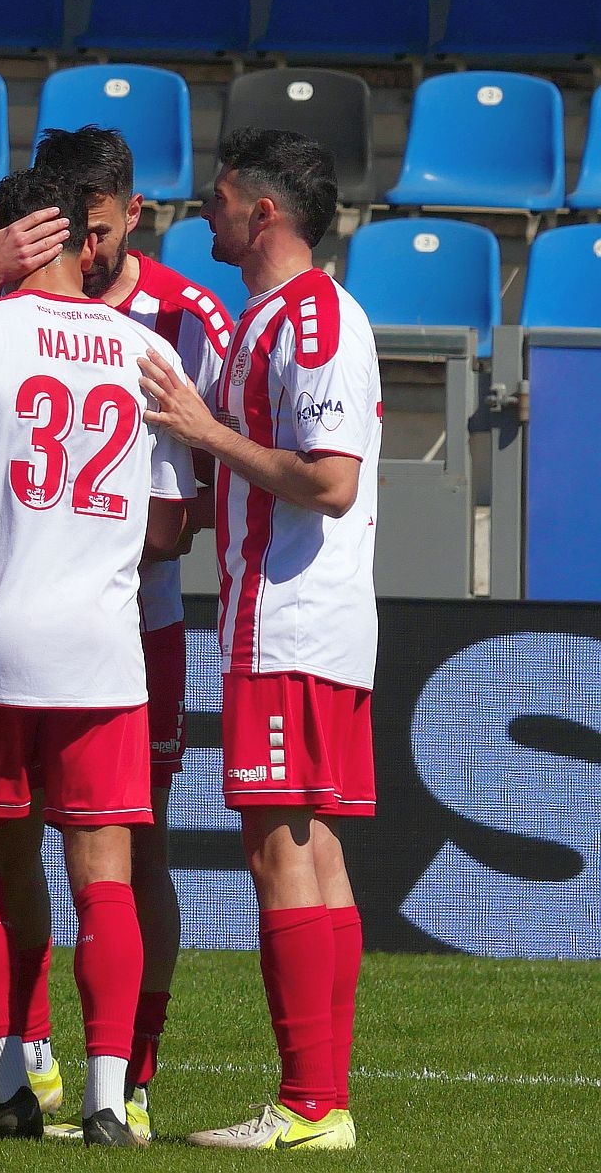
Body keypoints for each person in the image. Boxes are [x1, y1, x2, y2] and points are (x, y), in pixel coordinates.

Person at [0, 126, 231, 1143]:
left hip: (11, 638)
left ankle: (32, 1079)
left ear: (6, 228)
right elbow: (167, 523)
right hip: (107, 646)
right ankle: (97, 1092)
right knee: (100, 870)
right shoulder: (146, 347)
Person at [138, 129, 378, 1153]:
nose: (208, 212)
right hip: (302, 620)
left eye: (222, 197)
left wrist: (205, 433)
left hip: (289, 621)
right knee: (313, 849)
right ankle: (325, 1103)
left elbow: (330, 480)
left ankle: (309, 1102)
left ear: (265, 212)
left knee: (279, 849)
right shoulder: (276, 316)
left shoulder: (311, 318)